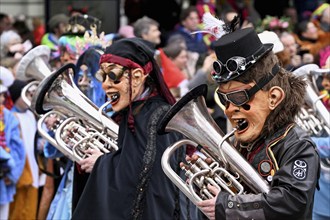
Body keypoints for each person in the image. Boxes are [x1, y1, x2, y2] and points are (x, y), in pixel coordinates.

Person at [192, 24, 320, 219]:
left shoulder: (298, 145)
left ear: (274, 97)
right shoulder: (240, 144)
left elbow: (292, 201)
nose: (229, 109)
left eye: (239, 97)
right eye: (225, 99)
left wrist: (228, 205)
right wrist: (207, 180)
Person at [72, 37, 196, 220]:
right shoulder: (135, 110)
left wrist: (100, 163)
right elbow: (130, 160)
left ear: (137, 77)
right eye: (103, 76)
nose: (105, 84)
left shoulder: (158, 115)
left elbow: (143, 174)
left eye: (113, 76)